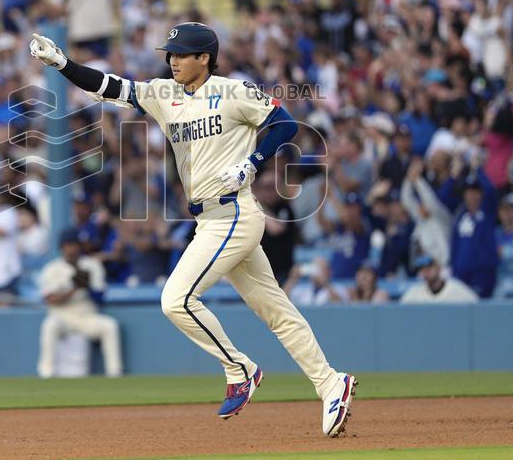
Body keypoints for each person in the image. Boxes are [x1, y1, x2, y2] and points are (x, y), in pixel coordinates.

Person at [29, 22, 356, 437]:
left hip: (235, 212)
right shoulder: (165, 94)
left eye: (181, 54)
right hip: (208, 219)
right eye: (170, 53)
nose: (173, 60)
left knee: (176, 300)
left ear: (205, 58)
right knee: (276, 311)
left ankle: (240, 369)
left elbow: (286, 124)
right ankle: (330, 382)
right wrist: (62, 63)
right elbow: (113, 88)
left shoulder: (232, 91)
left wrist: (253, 162)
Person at [37, 230, 122, 379]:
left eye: (74, 245)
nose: (72, 249)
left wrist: (87, 287)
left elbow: (100, 297)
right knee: (49, 325)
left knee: (110, 326)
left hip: (86, 316)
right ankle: (46, 372)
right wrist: (73, 288)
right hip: (62, 316)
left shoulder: (91, 265)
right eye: (68, 245)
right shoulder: (52, 269)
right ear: (61, 247)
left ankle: (114, 372)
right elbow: (49, 299)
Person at [400, 256, 479, 304]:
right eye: (422, 268)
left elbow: (476, 307)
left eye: (429, 267)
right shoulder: (415, 292)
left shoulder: (458, 289)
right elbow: (400, 310)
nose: (426, 271)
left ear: (439, 267)